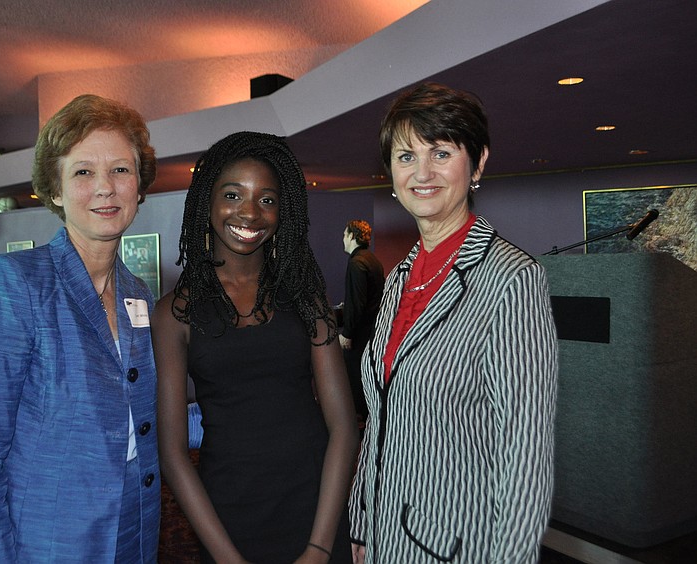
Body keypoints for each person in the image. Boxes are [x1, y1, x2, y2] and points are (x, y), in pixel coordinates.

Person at [348, 82, 558, 563]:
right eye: (406, 156)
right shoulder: (399, 278)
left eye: (440, 153)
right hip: (383, 536)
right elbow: (380, 420)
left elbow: (526, 455)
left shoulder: (511, 280)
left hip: (455, 546)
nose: (422, 173)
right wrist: (362, 522)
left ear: (478, 162)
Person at [0, 94, 160, 562]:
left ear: (139, 187)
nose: (105, 188)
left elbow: (136, 417)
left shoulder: (139, 295)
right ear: (56, 191)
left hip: (135, 528)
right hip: (48, 541)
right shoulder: (13, 284)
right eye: (83, 172)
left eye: (120, 170)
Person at [154, 131, 358, 563]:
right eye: (233, 195)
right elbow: (172, 453)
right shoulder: (175, 313)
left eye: (267, 199)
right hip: (227, 517)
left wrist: (320, 547)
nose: (249, 212)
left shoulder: (306, 298)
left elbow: (343, 425)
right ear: (207, 202)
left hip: (314, 507)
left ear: (283, 212)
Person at [338, 220, 384, 421]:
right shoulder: (372, 260)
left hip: (360, 334)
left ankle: (361, 421)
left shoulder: (356, 263)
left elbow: (357, 303)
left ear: (352, 236)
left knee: (355, 377)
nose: (342, 239)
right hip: (372, 331)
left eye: (344, 234)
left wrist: (347, 334)